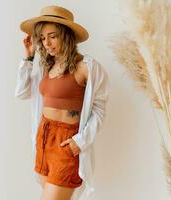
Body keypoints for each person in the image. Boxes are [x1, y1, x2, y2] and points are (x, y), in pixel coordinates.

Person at [15, 5, 109, 200]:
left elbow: (99, 109)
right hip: (43, 138)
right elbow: (21, 92)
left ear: (66, 36)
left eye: (52, 36)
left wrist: (80, 141)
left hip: (66, 141)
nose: (46, 43)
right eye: (42, 37)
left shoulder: (87, 68)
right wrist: (29, 56)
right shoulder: (45, 67)